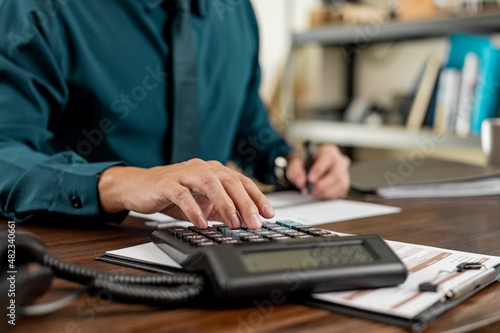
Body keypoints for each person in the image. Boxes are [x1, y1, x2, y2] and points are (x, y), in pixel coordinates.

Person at [0, 0, 350, 229]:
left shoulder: (238, 11)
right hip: (89, 253)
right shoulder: (39, 9)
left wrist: (290, 163)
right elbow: (5, 152)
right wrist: (124, 182)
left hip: (216, 250)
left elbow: (250, 132)